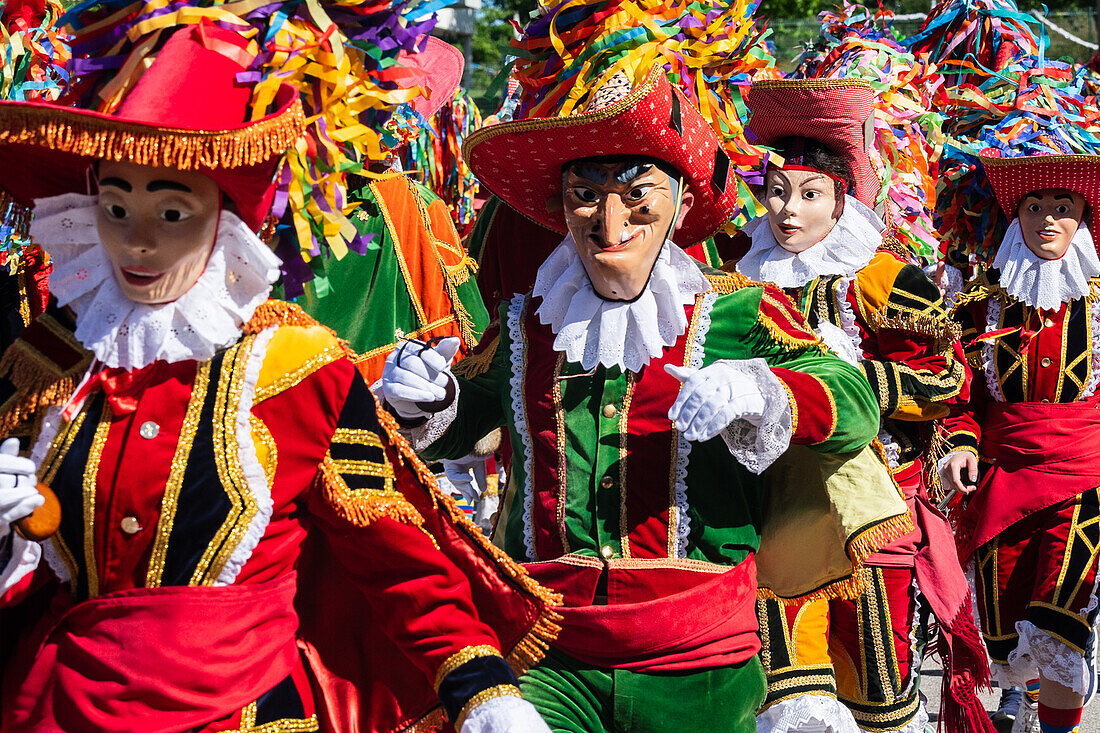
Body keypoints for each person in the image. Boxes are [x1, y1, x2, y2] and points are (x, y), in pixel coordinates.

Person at [0, 22, 558, 732]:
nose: (137, 240)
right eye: (115, 206)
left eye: (171, 211)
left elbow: (395, 558)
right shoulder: (47, 361)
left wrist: (482, 687)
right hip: (61, 710)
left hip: (243, 713)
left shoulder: (295, 367)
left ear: (223, 215)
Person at [379, 67, 895, 732]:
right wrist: (425, 397)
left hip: (697, 658)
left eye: (636, 195)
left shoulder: (739, 311)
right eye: (586, 195)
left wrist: (759, 391)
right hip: (551, 650)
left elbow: (852, 401)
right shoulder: (523, 323)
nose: (609, 219)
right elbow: (463, 419)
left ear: (680, 204)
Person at [736, 77, 987, 733]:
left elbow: (948, 377)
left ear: (842, 199)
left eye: (810, 195)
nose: (789, 212)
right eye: (777, 193)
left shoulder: (876, 275)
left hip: (868, 515)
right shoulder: (740, 273)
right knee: (787, 693)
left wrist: (858, 383)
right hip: (772, 515)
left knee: (875, 690)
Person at [940, 148, 1100, 733]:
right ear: (1015, 216)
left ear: (1084, 216)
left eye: (1064, 206)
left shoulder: (1099, 295)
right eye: (1035, 206)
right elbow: (959, 391)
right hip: (1003, 474)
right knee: (1006, 621)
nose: (1049, 219)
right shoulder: (980, 299)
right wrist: (960, 441)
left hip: (1085, 474)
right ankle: (1022, 700)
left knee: (1061, 615)